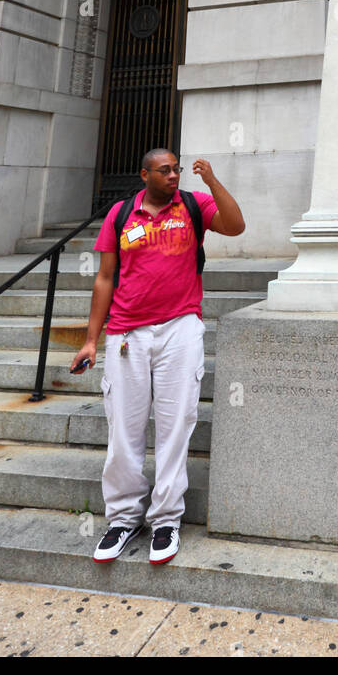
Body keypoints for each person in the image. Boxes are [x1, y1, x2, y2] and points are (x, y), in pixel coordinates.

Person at [70, 150, 245, 566]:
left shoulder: (193, 205)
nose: (172, 175)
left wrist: (213, 182)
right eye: (163, 170)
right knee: (124, 428)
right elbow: (105, 278)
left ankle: (166, 519)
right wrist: (91, 341)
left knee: (176, 423)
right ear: (144, 173)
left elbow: (236, 226)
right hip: (127, 333)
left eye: (176, 169)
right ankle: (123, 518)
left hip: (180, 329)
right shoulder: (121, 214)